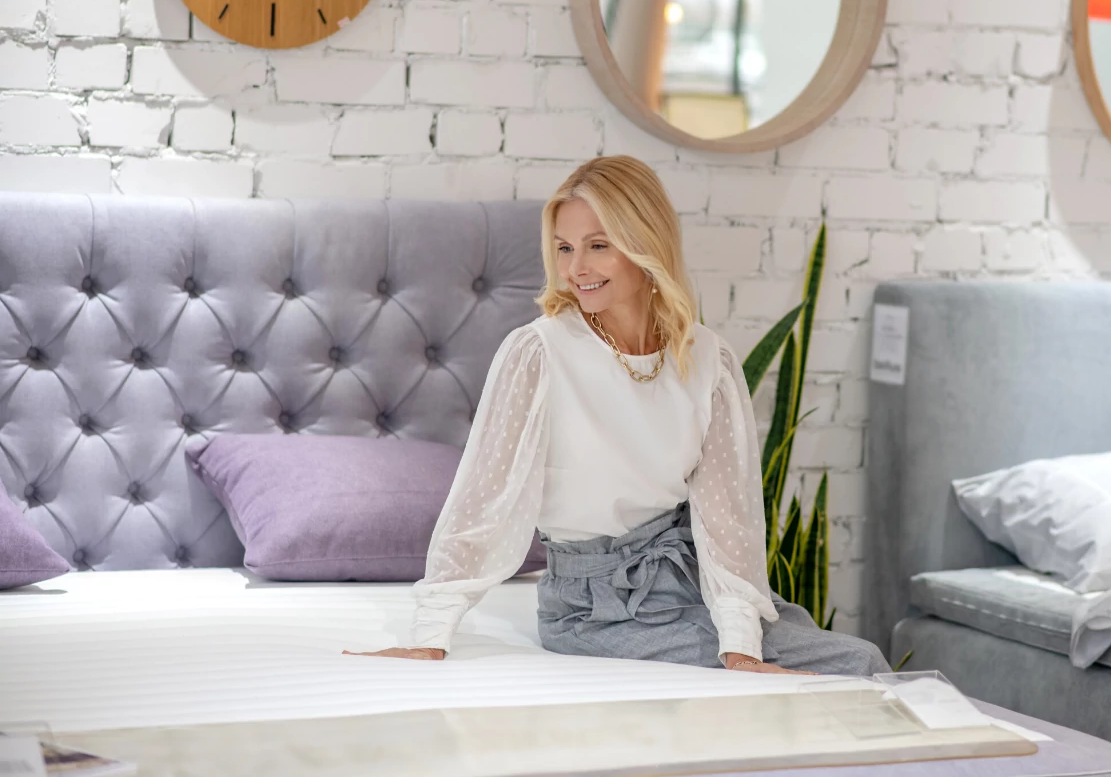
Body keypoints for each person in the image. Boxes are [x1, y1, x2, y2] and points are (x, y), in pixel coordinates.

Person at [344, 156, 890, 676]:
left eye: (598, 246)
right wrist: (430, 634)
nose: (575, 269)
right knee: (854, 667)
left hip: (689, 582)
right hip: (593, 607)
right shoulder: (539, 352)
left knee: (855, 659)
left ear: (645, 245)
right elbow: (483, 500)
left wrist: (741, 645)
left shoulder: (708, 359)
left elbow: (728, 518)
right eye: (564, 248)